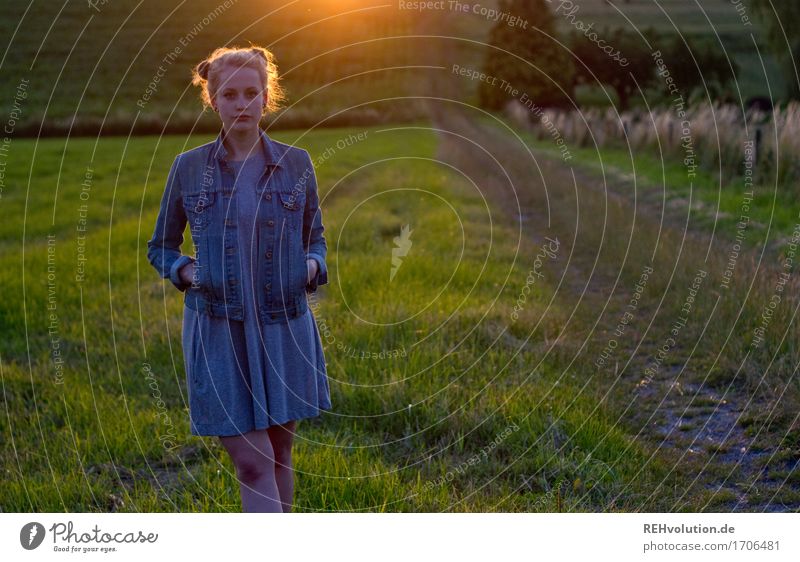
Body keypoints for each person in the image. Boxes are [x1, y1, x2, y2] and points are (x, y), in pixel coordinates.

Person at [146, 45, 332, 513]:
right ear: (213, 101)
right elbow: (161, 247)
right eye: (230, 94)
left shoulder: (297, 164)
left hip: (283, 325)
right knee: (254, 463)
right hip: (219, 331)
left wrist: (310, 266)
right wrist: (184, 270)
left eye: (252, 93)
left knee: (281, 454)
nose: (242, 103)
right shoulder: (188, 168)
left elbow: (317, 238)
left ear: (267, 97)